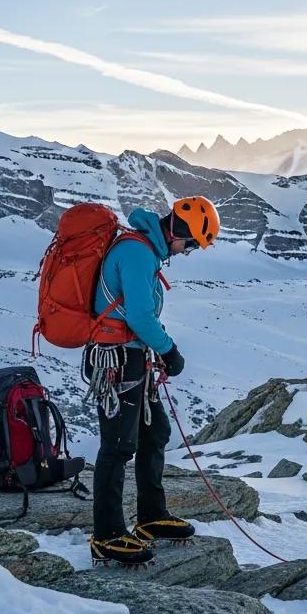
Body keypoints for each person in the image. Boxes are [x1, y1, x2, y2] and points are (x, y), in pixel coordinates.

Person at [85, 196, 220, 566]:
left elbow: (137, 314)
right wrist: (169, 350)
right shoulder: (138, 254)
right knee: (116, 446)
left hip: (132, 358)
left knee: (154, 431)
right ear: (176, 230)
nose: (188, 251)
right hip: (117, 359)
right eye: (190, 244)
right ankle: (107, 534)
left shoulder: (145, 251)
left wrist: (154, 351)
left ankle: (150, 516)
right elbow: (142, 317)